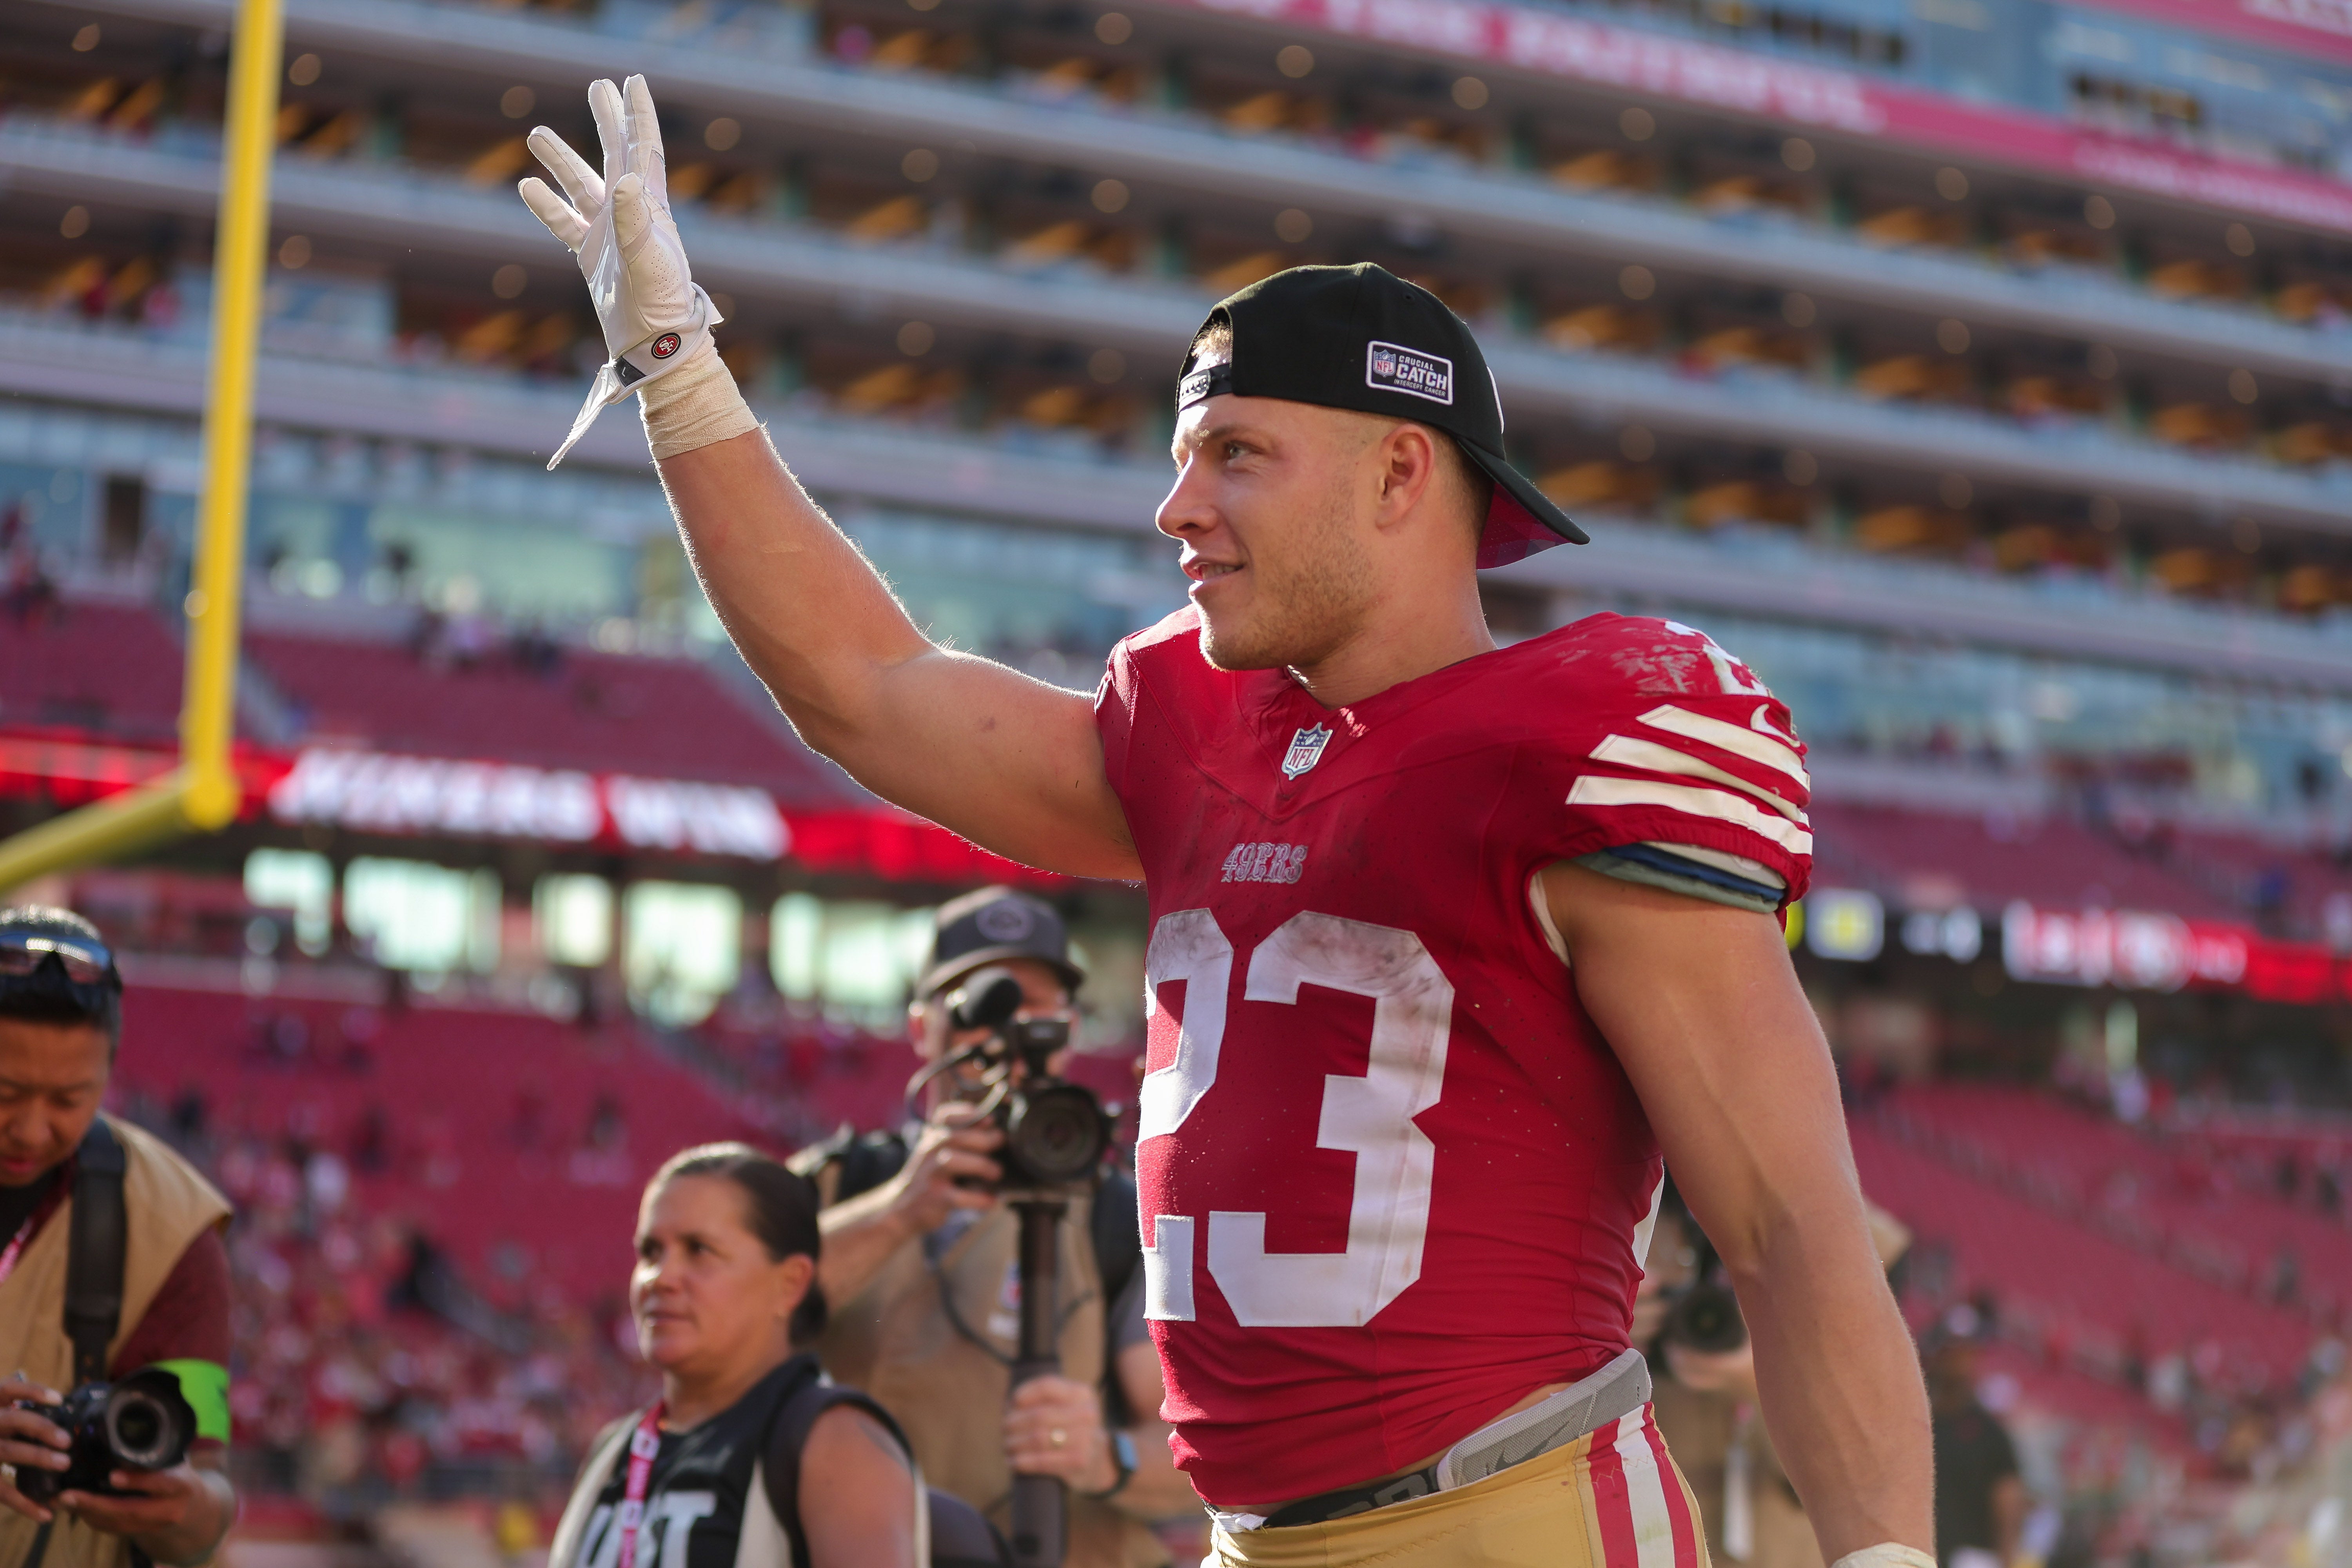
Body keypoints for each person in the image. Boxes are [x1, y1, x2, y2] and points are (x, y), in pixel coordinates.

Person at [519, 84, 1933, 1568]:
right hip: (1243, 1538)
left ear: (1401, 471)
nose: (1173, 505)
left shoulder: (1570, 742)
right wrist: (676, 371)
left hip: (1509, 1515)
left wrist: (1885, 1557)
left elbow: (1787, 1232)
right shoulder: (1193, 729)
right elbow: (867, 692)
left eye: (1237, 454)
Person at [792, 887, 1192, 1568]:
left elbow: (1189, 1442)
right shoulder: (843, 1180)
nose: (1014, 1030)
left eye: (1041, 1008)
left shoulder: (1114, 1213)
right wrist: (899, 1210)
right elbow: (734, 1322)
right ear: (923, 1028)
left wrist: (1102, 1455)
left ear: (1068, 1025)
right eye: (989, 1003)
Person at [546, 1142, 922, 1568]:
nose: (662, 1278)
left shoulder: (834, 1441)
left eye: (700, 1250)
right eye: (651, 1252)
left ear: (791, 1283)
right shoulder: (616, 1449)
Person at [0, 907, 236, 1568]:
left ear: (109, 1075)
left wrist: (182, 1510)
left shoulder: (169, 1225)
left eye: (69, 1099)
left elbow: (209, 1495)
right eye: (5, 1091)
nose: (30, 1128)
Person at [1638, 1192, 1915, 1568]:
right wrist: (1608, 1330)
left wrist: (1768, 1383)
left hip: (1783, 1539)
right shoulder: (1637, 1213)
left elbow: (1856, 1475)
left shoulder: (1845, 1234)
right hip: (1657, 1523)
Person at [1926, 1338, 2024, 1568]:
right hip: (1927, 1549)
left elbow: (2008, 1497)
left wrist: (2007, 1557)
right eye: (1952, 1355)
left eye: (1964, 1355)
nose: (1959, 1364)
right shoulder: (1925, 1423)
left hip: (1973, 1556)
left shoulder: (1988, 1431)